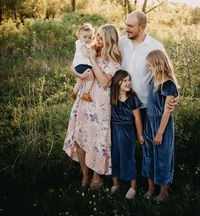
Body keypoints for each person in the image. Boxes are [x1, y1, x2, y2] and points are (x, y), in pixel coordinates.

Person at [63, 24, 121, 190]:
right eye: (98, 36)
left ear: (110, 40)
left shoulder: (114, 61)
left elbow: (104, 81)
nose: (98, 40)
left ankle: (97, 176)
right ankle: (85, 174)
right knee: (80, 140)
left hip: (100, 107)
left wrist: (93, 61)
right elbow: (72, 67)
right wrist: (80, 75)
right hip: (84, 101)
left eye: (102, 38)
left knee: (98, 142)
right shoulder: (89, 49)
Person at [120, 10, 177, 126]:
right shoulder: (120, 42)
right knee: (124, 142)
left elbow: (167, 73)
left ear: (142, 26)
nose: (126, 29)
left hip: (146, 106)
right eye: (126, 25)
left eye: (130, 26)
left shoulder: (155, 46)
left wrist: (175, 96)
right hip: (121, 104)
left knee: (146, 142)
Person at [142, 49, 179, 202]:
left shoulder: (169, 85)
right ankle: (151, 188)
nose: (148, 68)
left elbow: (167, 112)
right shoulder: (153, 80)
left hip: (162, 126)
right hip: (149, 123)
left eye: (150, 65)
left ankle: (164, 191)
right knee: (148, 155)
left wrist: (160, 133)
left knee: (163, 157)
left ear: (158, 64)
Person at [110, 70, 144, 200]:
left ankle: (133, 186)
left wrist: (140, 135)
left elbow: (137, 119)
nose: (128, 83)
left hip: (127, 131)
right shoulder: (112, 97)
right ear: (117, 82)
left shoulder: (132, 98)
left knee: (128, 157)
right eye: (124, 80)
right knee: (115, 155)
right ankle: (115, 183)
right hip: (114, 131)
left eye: (129, 80)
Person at [70, 23, 95, 102]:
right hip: (83, 65)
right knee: (90, 79)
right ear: (79, 37)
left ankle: (74, 93)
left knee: (79, 81)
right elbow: (86, 55)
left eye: (90, 37)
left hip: (77, 66)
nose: (87, 39)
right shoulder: (83, 45)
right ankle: (86, 94)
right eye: (85, 37)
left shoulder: (79, 44)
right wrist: (92, 54)